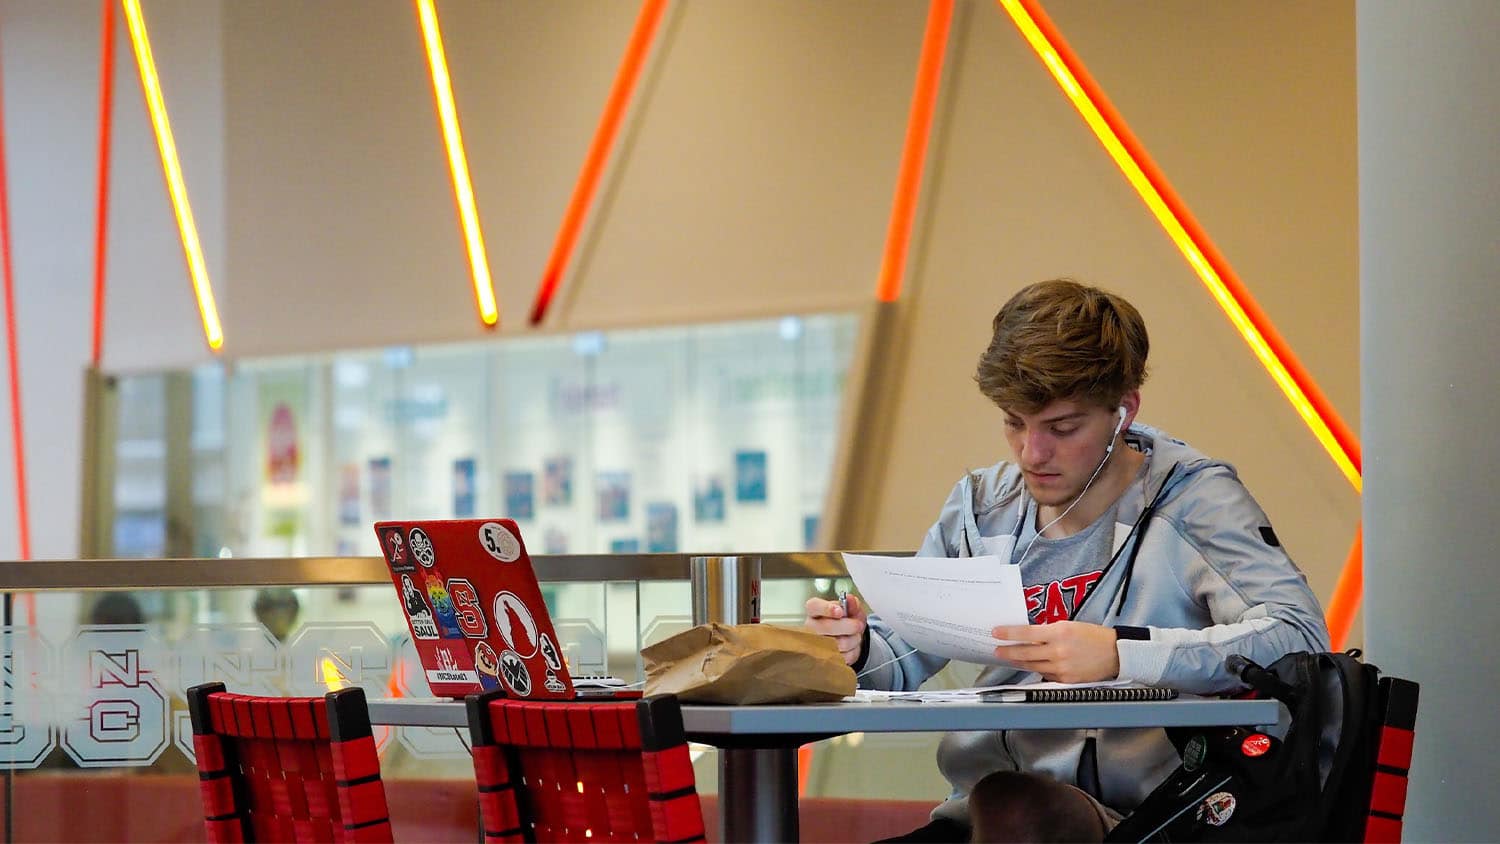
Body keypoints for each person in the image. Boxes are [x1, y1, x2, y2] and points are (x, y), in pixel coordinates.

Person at [805, 279, 1330, 842]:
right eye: (1014, 422)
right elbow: (904, 657)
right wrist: (857, 647)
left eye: (1062, 428)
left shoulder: (1194, 501)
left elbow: (1299, 638)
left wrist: (1121, 653)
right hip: (980, 815)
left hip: (1140, 824)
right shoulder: (983, 504)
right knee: (1005, 807)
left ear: (1122, 411)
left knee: (1016, 810)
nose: (1032, 454)